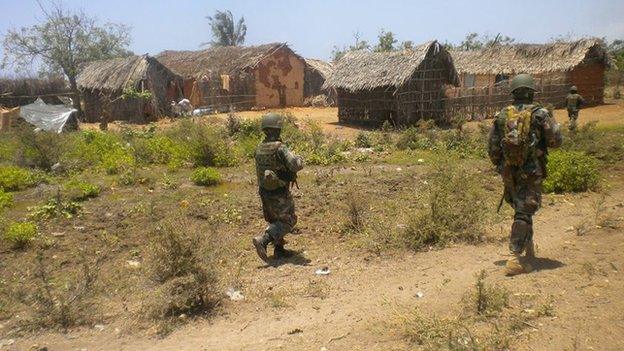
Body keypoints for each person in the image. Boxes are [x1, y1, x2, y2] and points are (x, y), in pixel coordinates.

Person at [488, 74, 563, 276]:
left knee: (522, 209)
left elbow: (493, 149)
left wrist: (504, 166)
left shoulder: (502, 115)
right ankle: (514, 258)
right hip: (531, 171)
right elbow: (556, 141)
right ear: (531, 92)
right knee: (524, 211)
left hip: (509, 171)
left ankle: (528, 249)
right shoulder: (541, 114)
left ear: (513, 93)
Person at [253, 113, 304, 263]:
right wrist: (300, 159)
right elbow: (295, 165)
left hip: (264, 192)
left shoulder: (259, 148)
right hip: (279, 192)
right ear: (278, 129)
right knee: (289, 220)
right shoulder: (280, 148)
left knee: (275, 220)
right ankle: (263, 240)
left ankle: (279, 250)